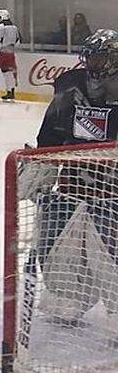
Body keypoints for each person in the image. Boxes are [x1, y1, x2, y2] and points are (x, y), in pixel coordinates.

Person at [31, 29, 118, 338]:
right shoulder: (71, 86)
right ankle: (67, 301)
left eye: (101, 56)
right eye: (91, 56)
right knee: (56, 247)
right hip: (71, 184)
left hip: (112, 190)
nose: (95, 63)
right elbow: (51, 132)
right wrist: (41, 166)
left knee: (109, 255)